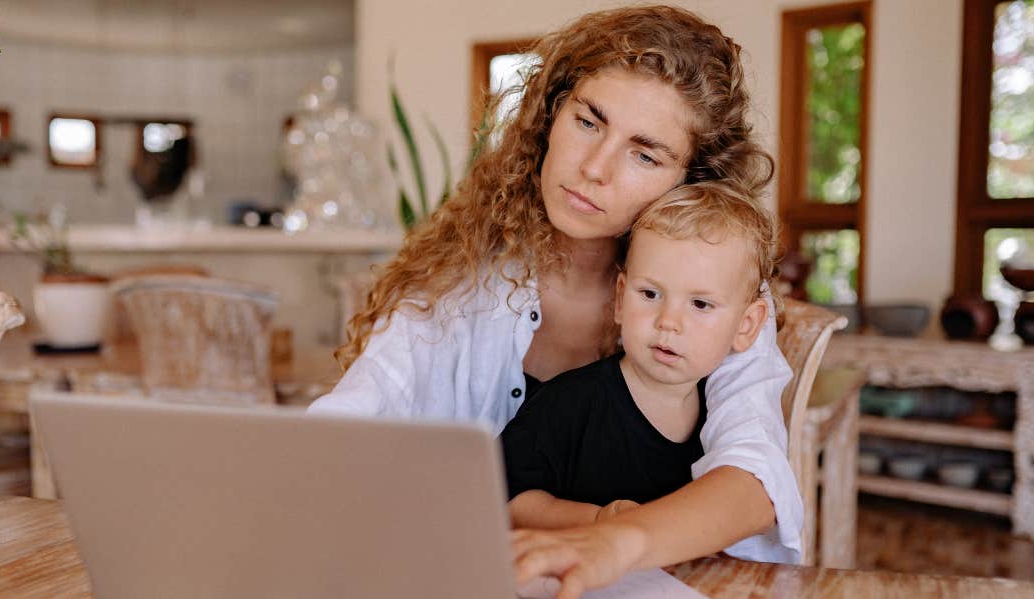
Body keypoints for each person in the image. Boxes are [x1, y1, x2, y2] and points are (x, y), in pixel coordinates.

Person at [308, 4, 801, 592]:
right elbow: (354, 415)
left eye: (645, 154)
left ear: (691, 181)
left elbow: (755, 475)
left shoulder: (710, 301)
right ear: (550, 116)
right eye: (589, 122)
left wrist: (616, 539)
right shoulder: (454, 279)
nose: (594, 167)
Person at [500, 183, 776, 532]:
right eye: (649, 293)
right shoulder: (568, 404)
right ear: (620, 299)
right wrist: (598, 520)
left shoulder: (723, 421)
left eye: (700, 304)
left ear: (746, 325)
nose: (668, 322)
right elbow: (505, 500)